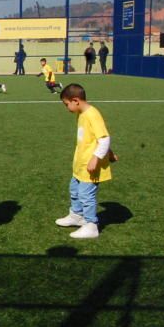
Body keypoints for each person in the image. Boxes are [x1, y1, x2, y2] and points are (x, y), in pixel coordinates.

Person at [55, 84, 114, 239]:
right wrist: (110, 153)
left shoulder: (92, 114)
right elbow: (96, 138)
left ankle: (91, 225)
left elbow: (104, 138)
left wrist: (96, 157)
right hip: (80, 165)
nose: (66, 107)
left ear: (76, 100)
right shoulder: (81, 113)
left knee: (86, 195)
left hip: (90, 166)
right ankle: (76, 215)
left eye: (66, 104)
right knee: (74, 189)